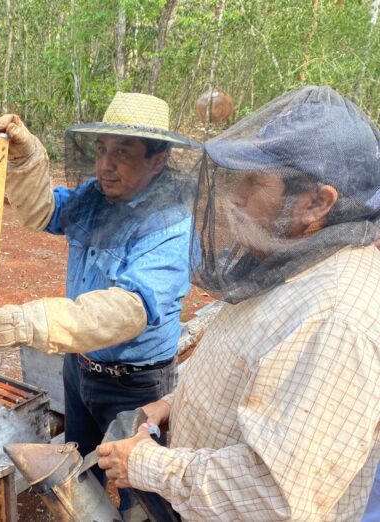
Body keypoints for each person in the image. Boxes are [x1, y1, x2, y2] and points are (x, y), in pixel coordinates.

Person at [97, 85, 380, 521]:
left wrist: (146, 464)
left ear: (317, 203)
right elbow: (241, 358)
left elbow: (273, 498)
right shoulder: (291, 258)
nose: (236, 196)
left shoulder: (333, 320)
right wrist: (169, 405)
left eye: (255, 181)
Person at [0, 93, 200, 519]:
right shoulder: (96, 195)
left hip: (138, 386)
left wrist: (27, 321)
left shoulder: (171, 224)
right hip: (81, 370)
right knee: (80, 474)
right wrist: (27, 159)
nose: (105, 164)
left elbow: (130, 308)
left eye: (122, 152)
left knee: (143, 494)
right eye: (102, 149)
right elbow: (45, 212)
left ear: (158, 160)